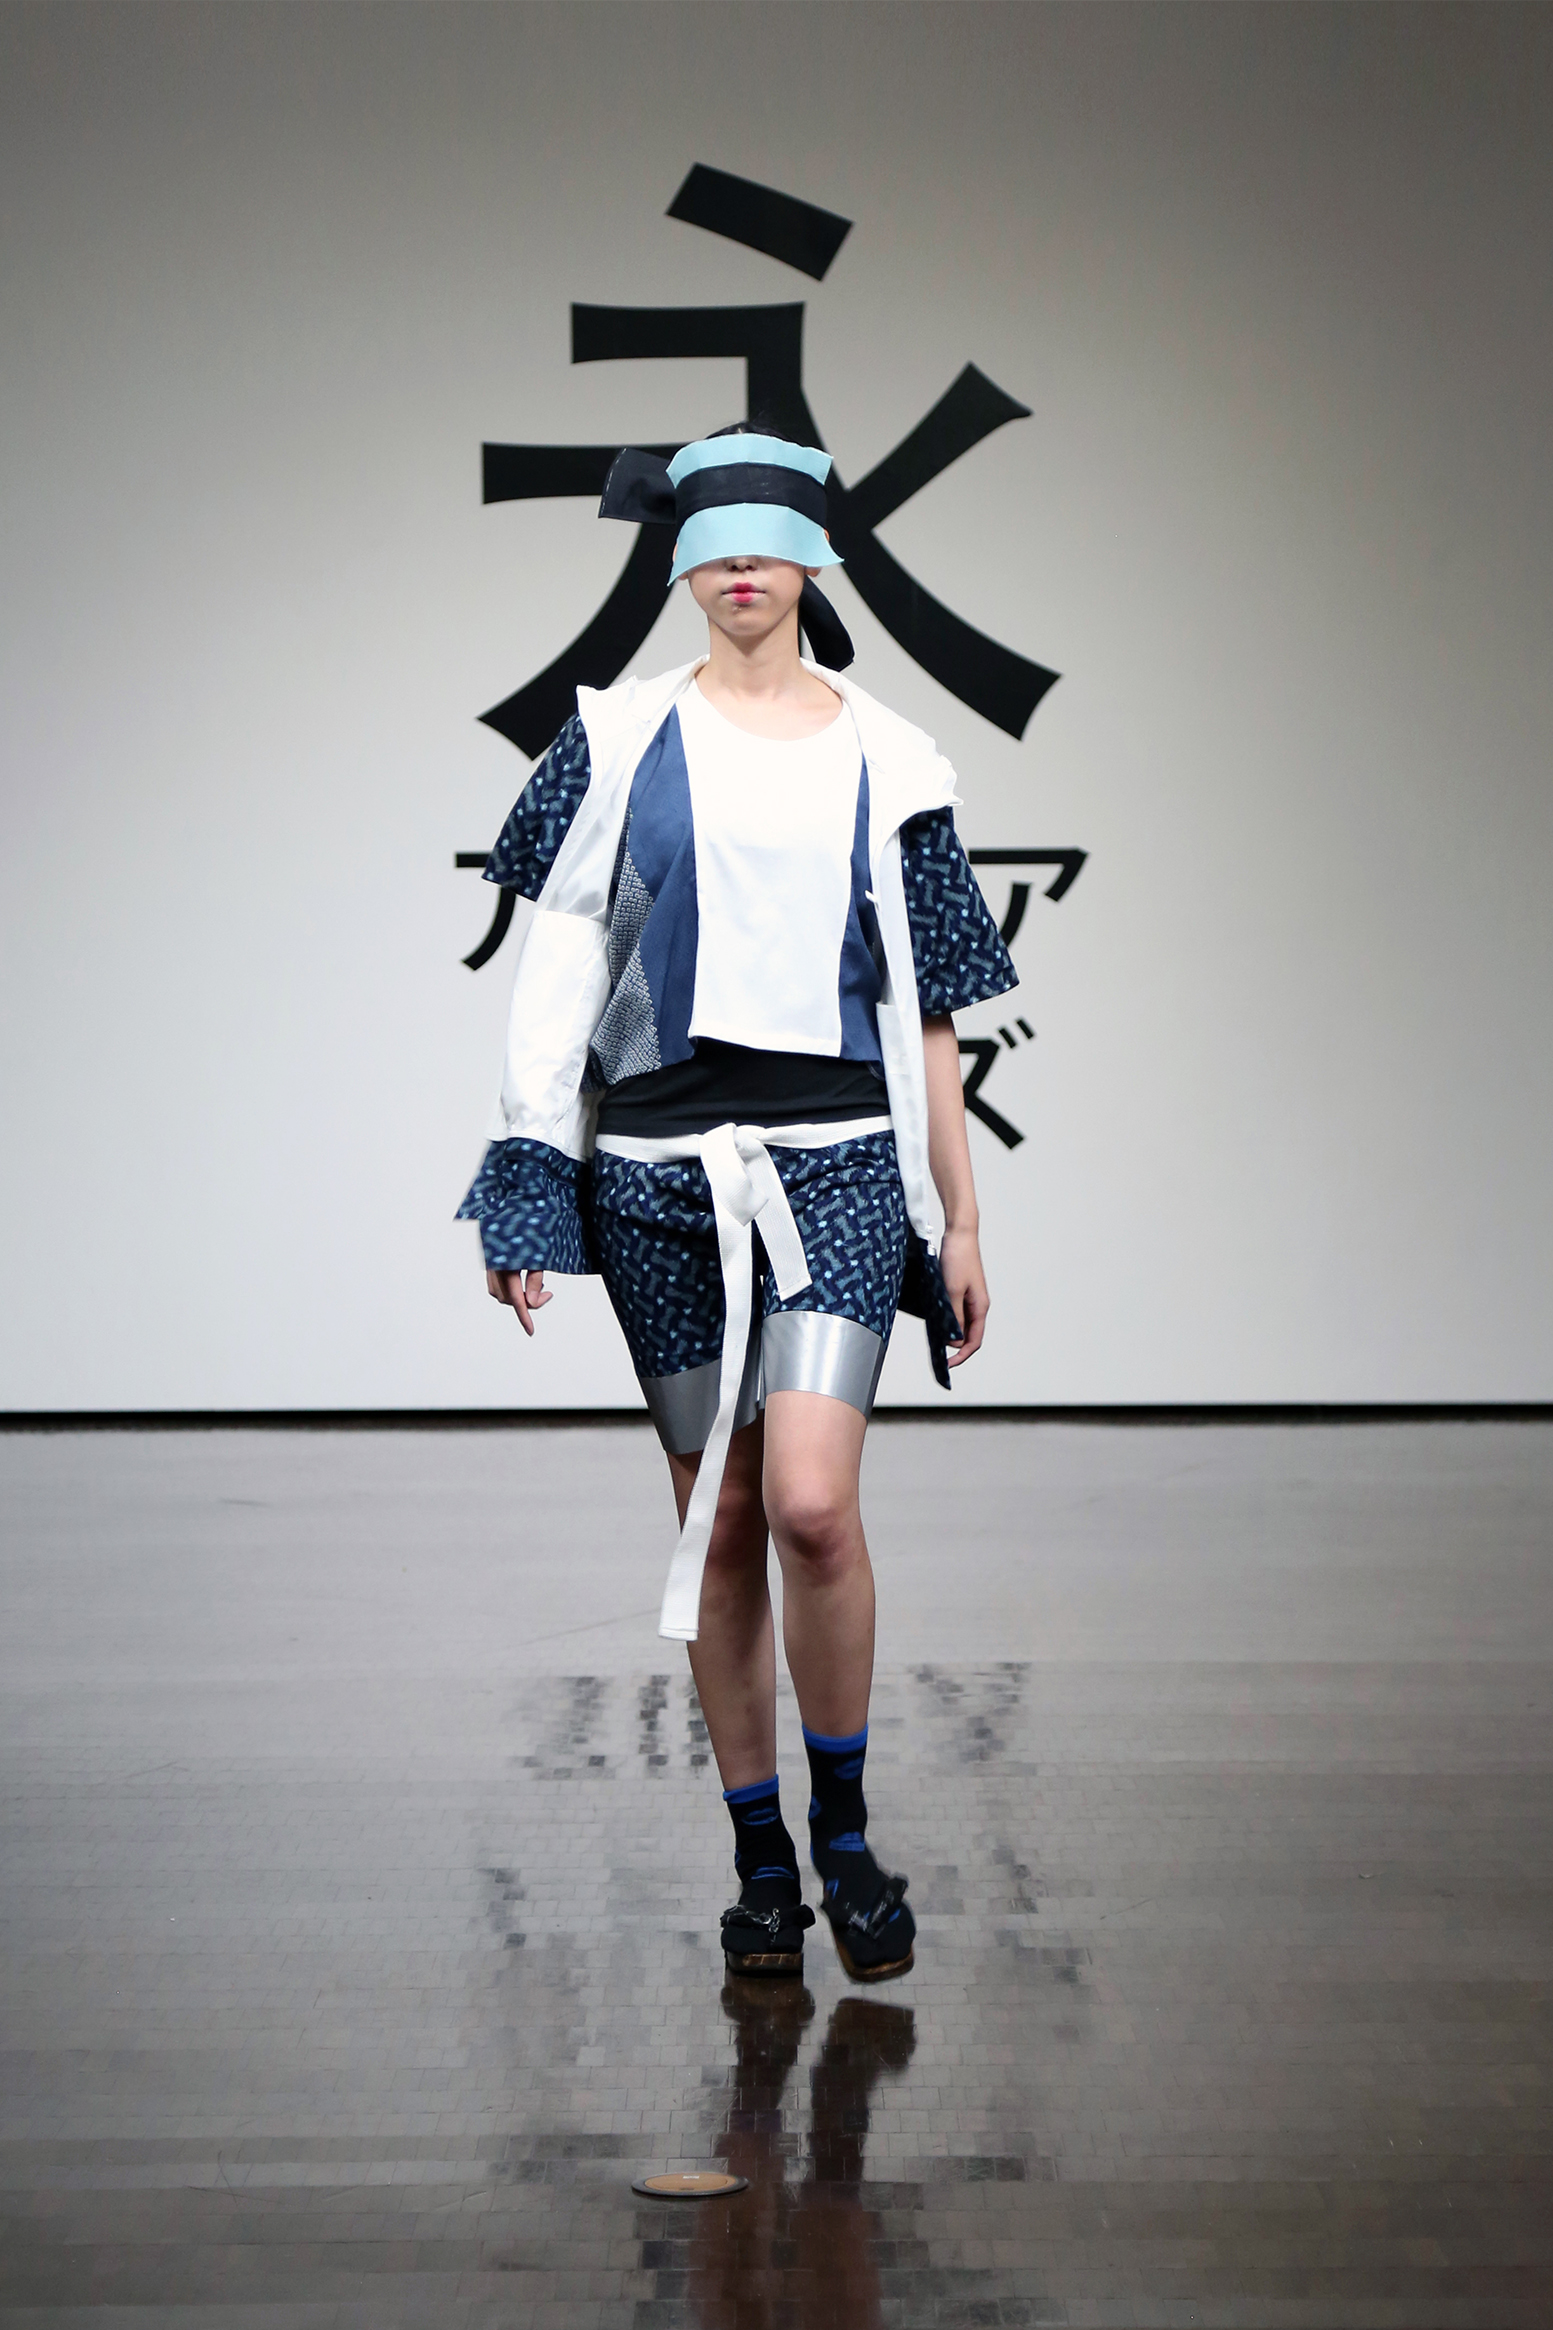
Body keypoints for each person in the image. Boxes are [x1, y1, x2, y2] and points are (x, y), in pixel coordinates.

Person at [458, 424, 1016, 1983]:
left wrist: (962, 1218)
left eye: (771, 538)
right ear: (683, 566)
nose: (744, 566)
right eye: (716, 541)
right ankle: (760, 1854)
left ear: (815, 561)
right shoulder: (613, 739)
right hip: (655, 1171)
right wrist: (529, 1174)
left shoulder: (894, 758)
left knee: (810, 1506)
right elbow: (561, 957)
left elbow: (927, 1007)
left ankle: (844, 1825)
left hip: (836, 1155)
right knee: (715, 1523)